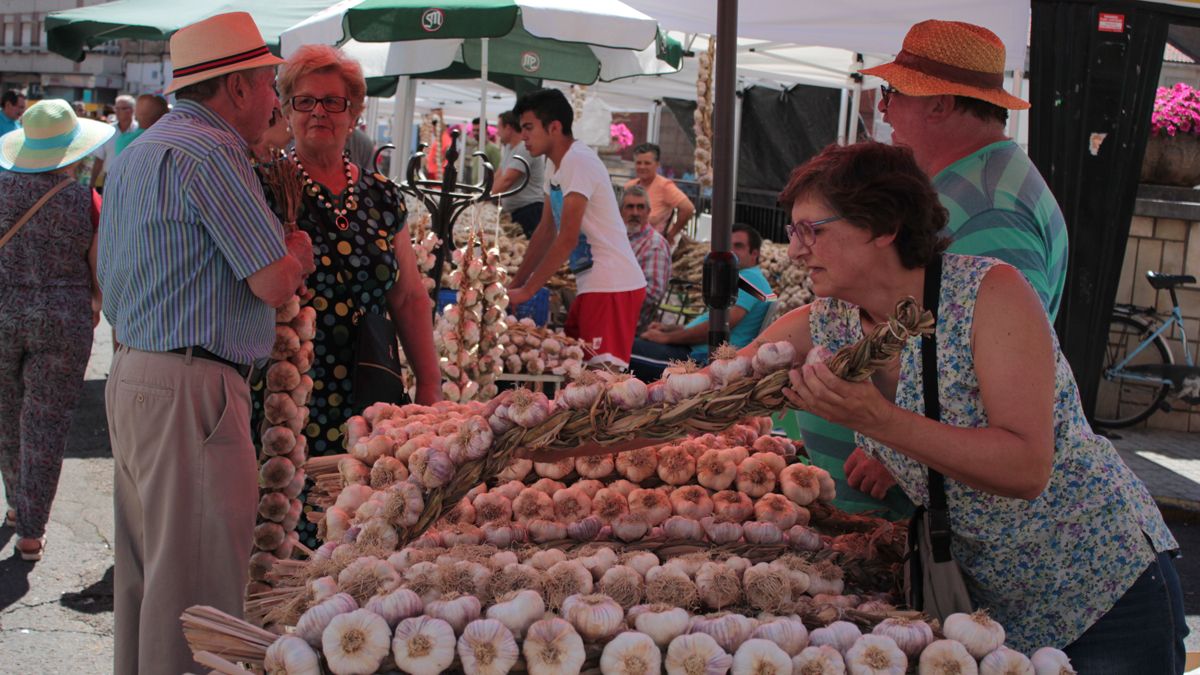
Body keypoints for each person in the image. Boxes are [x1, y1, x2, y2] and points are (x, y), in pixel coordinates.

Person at [758, 141, 1185, 667]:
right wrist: (628, 418)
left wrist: (878, 422)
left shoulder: (990, 293)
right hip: (992, 605)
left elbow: (1026, 466)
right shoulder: (834, 319)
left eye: (811, 230)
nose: (796, 249)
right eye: (793, 231)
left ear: (883, 226)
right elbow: (716, 387)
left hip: (1100, 590)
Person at [98, 13, 314, 674]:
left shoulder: (140, 151)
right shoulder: (213, 151)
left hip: (135, 374)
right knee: (198, 593)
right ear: (240, 87)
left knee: (148, 580)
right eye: (271, 85)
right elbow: (273, 280)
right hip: (192, 386)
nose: (277, 102)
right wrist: (297, 252)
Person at [800, 19, 1074, 516]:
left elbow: (1010, 361)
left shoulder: (992, 205)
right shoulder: (976, 181)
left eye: (892, 93)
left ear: (940, 103)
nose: (884, 109)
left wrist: (893, 444)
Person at [263, 43, 442, 548]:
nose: (319, 112)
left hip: (370, 390)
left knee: (367, 525)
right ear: (287, 109)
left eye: (333, 101)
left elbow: (408, 297)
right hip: (290, 391)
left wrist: (429, 385)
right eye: (305, 101)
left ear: (355, 111)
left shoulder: (384, 197)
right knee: (291, 526)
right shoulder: (264, 188)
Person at [0, 100, 112, 561]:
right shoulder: (85, 199)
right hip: (64, 320)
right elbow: (98, 270)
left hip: (4, 313)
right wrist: (96, 305)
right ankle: (31, 528)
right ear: (74, 151)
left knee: (8, 415)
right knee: (47, 423)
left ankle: (15, 505)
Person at [508, 88, 647, 368]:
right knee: (576, 371)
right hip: (592, 284)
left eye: (528, 128)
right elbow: (544, 233)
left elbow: (567, 239)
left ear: (554, 127)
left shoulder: (578, 161)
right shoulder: (554, 165)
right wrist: (516, 284)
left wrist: (527, 291)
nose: (523, 137)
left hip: (612, 285)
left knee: (603, 381)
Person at [629, 223, 773, 381]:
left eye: (738, 246)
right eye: (727, 245)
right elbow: (715, 323)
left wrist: (666, 338)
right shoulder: (745, 278)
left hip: (698, 361)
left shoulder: (749, 279)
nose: (730, 251)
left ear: (754, 253)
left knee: (621, 351)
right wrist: (670, 329)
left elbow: (718, 327)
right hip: (691, 352)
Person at [622, 185, 671, 333]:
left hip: (634, 327)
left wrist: (613, 297)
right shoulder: (620, 238)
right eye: (630, 207)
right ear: (621, 211)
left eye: (640, 207)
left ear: (648, 212)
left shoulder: (655, 245)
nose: (635, 213)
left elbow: (653, 293)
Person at [623, 142, 695, 243]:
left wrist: (672, 234)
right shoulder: (629, 186)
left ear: (657, 165)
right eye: (638, 163)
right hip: (628, 241)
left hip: (653, 244)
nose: (642, 167)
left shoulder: (665, 186)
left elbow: (688, 208)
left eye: (647, 163)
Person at [493, 109, 546, 239]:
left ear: (509, 128)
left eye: (499, 127)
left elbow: (508, 180)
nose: (497, 132)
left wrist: (484, 199)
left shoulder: (524, 148)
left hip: (529, 211)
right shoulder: (508, 148)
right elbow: (499, 175)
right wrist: (485, 192)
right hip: (516, 211)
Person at [89, 94, 139, 191]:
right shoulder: (108, 131)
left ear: (132, 110)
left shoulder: (140, 131)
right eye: (117, 108)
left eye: (122, 108)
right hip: (109, 178)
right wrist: (92, 183)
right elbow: (99, 159)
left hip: (133, 180)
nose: (118, 112)